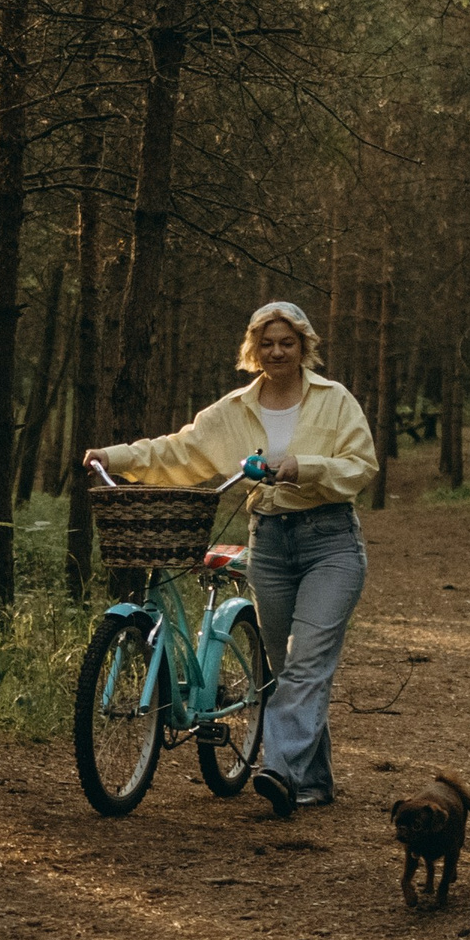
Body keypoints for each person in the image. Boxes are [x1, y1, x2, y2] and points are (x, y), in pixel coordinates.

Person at [84, 300, 378, 816]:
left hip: (330, 542)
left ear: (303, 345)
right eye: (267, 342)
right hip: (268, 543)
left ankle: (279, 770)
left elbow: (361, 465)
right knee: (286, 667)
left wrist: (301, 466)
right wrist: (117, 457)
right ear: (253, 349)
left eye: (287, 341)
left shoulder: (335, 401)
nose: (277, 351)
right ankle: (313, 781)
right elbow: (178, 451)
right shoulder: (234, 409)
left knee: (307, 662)